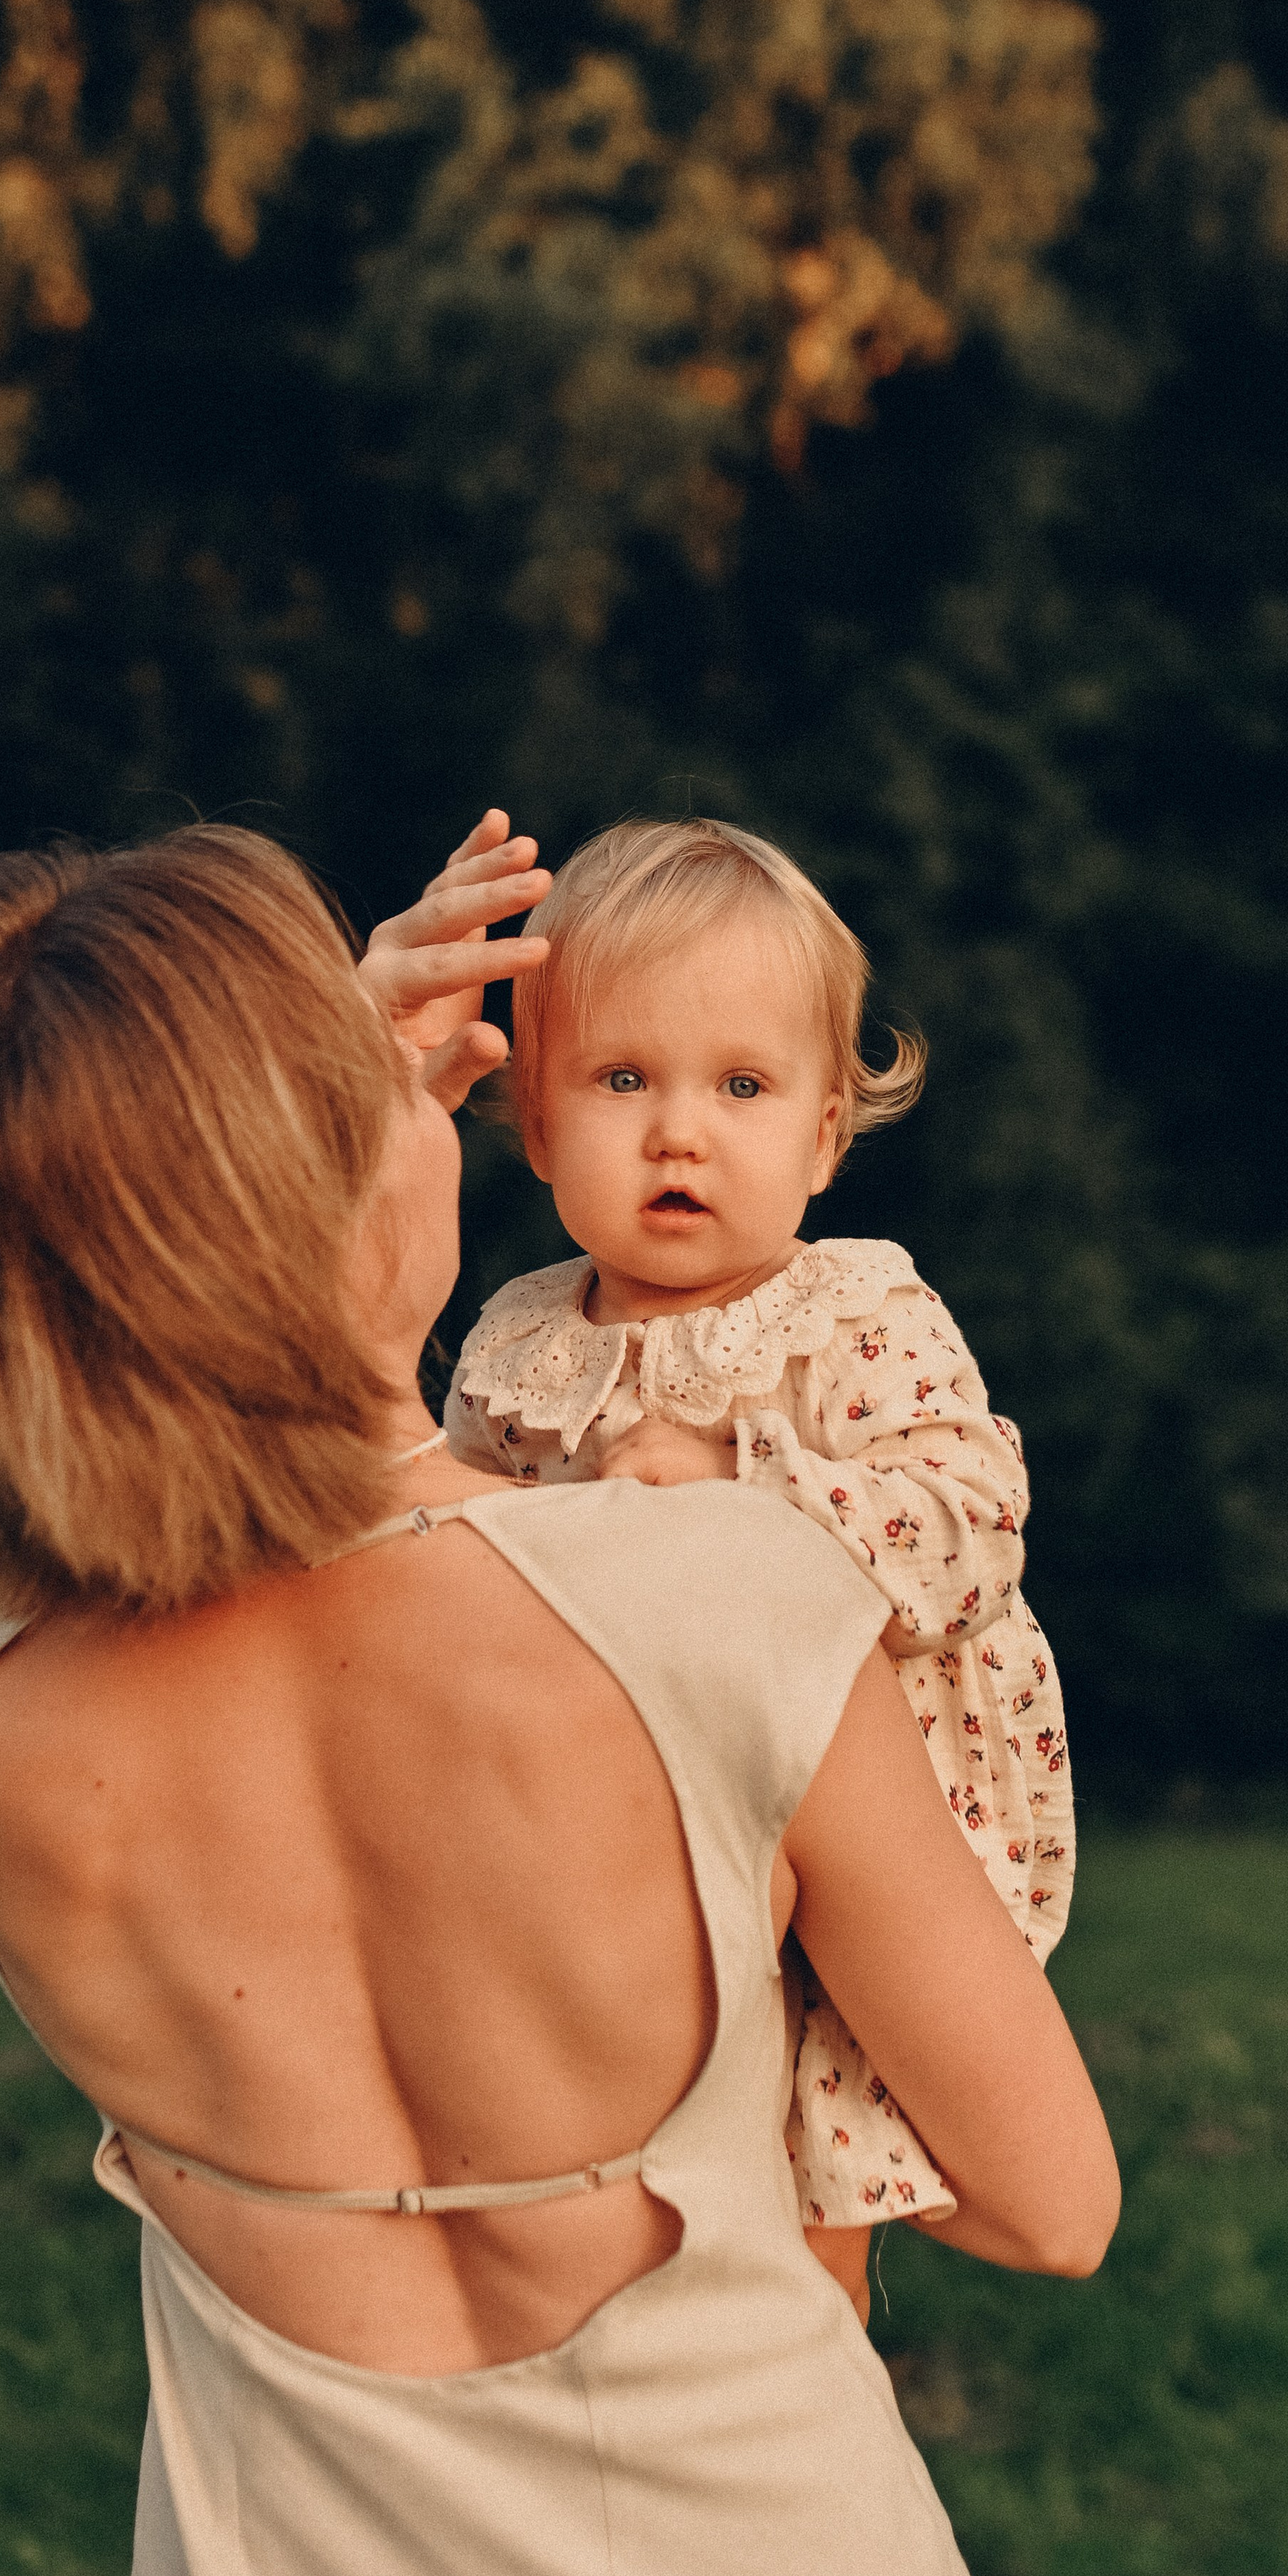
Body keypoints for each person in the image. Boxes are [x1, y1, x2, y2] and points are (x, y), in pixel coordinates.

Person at [0, 818, 1119, 2576]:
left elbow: (92, 1371)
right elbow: (1046, 2206)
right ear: (321, 1180)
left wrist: (231, 1116)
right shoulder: (716, 1600)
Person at [444, 816, 1075, 2322]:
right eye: (619, 1081)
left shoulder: (851, 1314)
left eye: (739, 1087)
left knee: (806, 2192)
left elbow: (972, 1516)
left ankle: (816, 2405)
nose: (679, 1133)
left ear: (818, 1141)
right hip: (623, 1824)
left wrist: (753, 1485)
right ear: (532, 1126)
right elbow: (447, 1564)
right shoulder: (520, 1347)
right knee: (620, 2183)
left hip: (866, 1828)